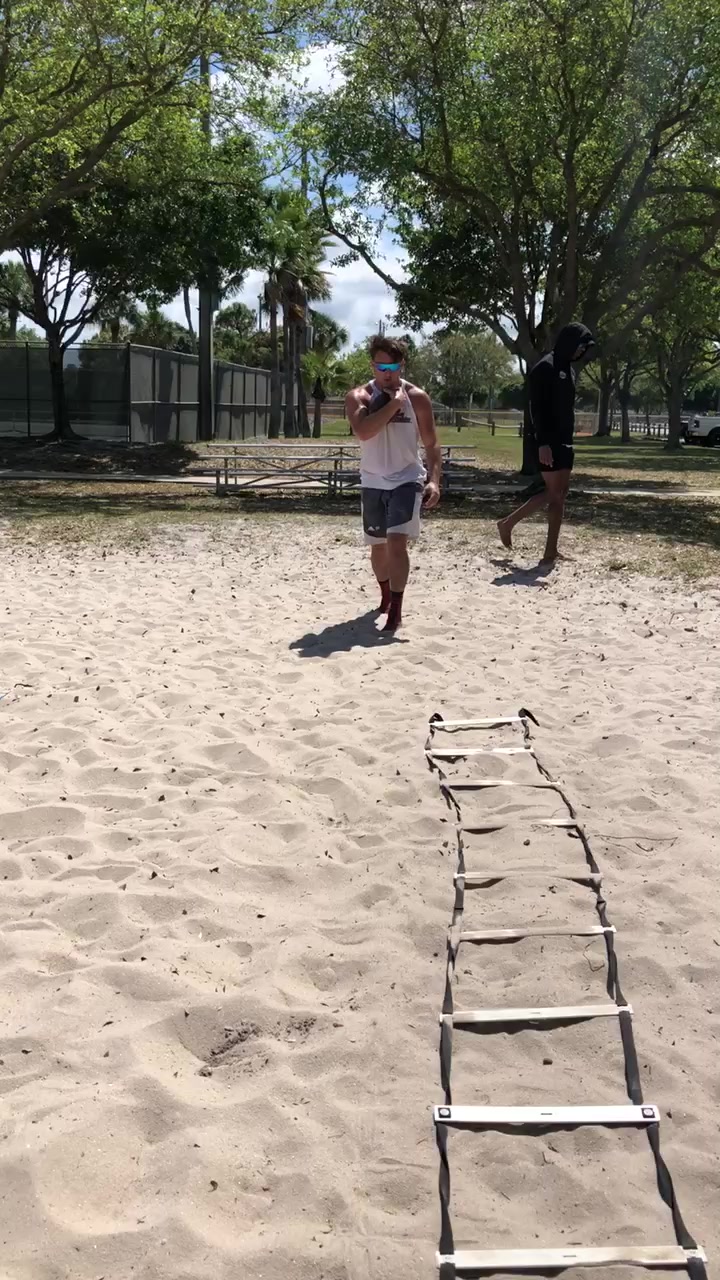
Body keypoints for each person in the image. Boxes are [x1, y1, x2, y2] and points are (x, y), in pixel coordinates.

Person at [345, 335, 442, 632]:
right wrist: (393, 404)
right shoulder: (358, 397)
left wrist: (434, 480)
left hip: (406, 479)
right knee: (378, 547)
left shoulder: (418, 398)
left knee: (397, 542)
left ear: (402, 365)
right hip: (373, 480)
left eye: (392, 366)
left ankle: (396, 611)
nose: (386, 373)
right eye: (380, 366)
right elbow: (364, 431)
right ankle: (385, 595)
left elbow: (432, 444)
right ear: (372, 366)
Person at [498, 322, 595, 563]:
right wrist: (542, 443)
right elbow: (536, 410)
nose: (582, 351)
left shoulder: (569, 370)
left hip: (565, 440)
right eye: (580, 346)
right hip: (546, 442)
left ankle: (550, 550)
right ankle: (509, 524)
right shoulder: (544, 367)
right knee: (553, 493)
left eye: (584, 348)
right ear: (569, 342)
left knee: (561, 493)